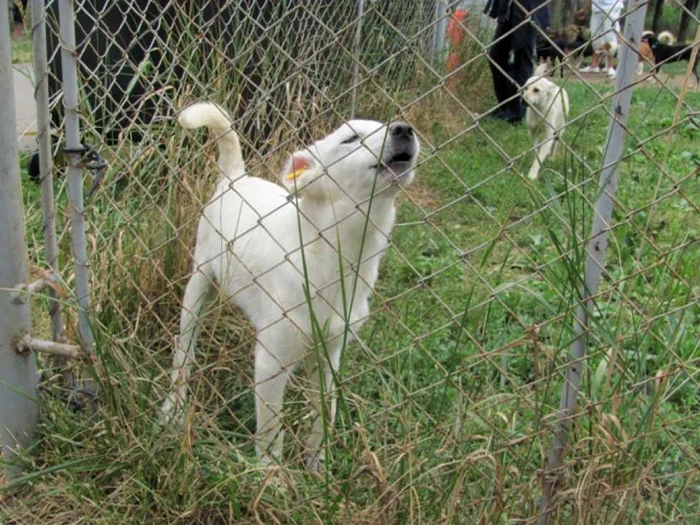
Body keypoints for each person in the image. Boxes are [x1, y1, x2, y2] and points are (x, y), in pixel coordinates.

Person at [484, 0, 551, 123]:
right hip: (510, 7)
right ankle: (505, 105)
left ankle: (516, 111)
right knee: (496, 56)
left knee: (522, 59)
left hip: (529, 8)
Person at [576, 0, 623, 77]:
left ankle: (610, 66)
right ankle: (594, 65)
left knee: (610, 35)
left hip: (612, 6)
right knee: (595, 35)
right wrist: (585, 9)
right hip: (596, 7)